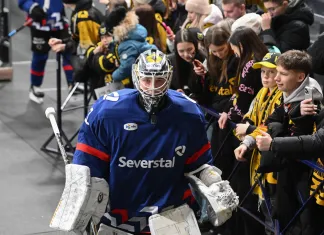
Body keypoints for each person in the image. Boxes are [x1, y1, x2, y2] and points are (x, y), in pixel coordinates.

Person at [71, 49, 238, 234]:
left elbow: (198, 165)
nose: (152, 88)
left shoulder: (189, 113)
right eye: (146, 79)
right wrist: (81, 202)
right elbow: (87, 167)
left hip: (172, 213)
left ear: (168, 78)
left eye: (158, 80)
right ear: (136, 77)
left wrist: (215, 184)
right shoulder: (106, 113)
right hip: (118, 215)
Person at [254, 50, 322, 235]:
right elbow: (271, 121)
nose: (276, 78)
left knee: (303, 224)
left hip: (306, 178)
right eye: (277, 72)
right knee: (284, 220)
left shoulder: (314, 101)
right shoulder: (291, 96)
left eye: (283, 74)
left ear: (300, 77)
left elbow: (316, 142)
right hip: (289, 172)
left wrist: (274, 142)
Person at [233, 52, 282, 235]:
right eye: (263, 72)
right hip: (258, 159)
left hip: (274, 164)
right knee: (261, 211)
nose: (266, 76)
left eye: (271, 72)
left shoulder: (282, 96)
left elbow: (268, 127)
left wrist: (247, 133)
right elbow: (249, 117)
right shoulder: (262, 92)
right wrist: (246, 129)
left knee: (274, 217)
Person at [18, 0, 74, 104]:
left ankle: (73, 84)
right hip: (39, 24)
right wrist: (32, 7)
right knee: (40, 56)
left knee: (68, 51)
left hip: (60, 22)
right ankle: (35, 86)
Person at [168, 28, 206, 101]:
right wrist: (175, 93)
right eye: (181, 51)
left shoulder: (204, 60)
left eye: (189, 49)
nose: (186, 55)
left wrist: (203, 75)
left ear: (195, 45)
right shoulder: (170, 61)